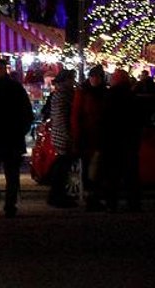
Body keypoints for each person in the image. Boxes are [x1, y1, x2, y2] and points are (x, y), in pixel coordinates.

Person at [0, 56, 33, 217]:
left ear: (5, 70)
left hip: (10, 138)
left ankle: (9, 204)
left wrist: (20, 130)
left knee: (11, 174)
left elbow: (26, 113)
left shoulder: (15, 89)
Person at [102, 68, 142, 211]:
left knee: (113, 173)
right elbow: (138, 119)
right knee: (130, 173)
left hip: (113, 139)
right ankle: (133, 202)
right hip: (128, 139)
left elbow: (105, 119)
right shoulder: (132, 96)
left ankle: (112, 203)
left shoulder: (110, 95)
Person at [73, 64, 109, 210]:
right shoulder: (83, 93)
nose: (94, 79)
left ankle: (94, 195)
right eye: (92, 76)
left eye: (97, 77)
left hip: (100, 135)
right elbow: (76, 115)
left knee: (97, 167)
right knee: (90, 166)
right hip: (87, 136)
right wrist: (77, 135)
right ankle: (91, 196)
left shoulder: (104, 93)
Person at [45, 68, 78, 208]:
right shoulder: (63, 95)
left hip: (60, 133)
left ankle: (57, 193)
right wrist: (67, 135)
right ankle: (57, 194)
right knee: (63, 165)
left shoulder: (61, 94)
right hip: (63, 134)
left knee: (63, 164)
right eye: (71, 79)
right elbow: (61, 117)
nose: (73, 82)